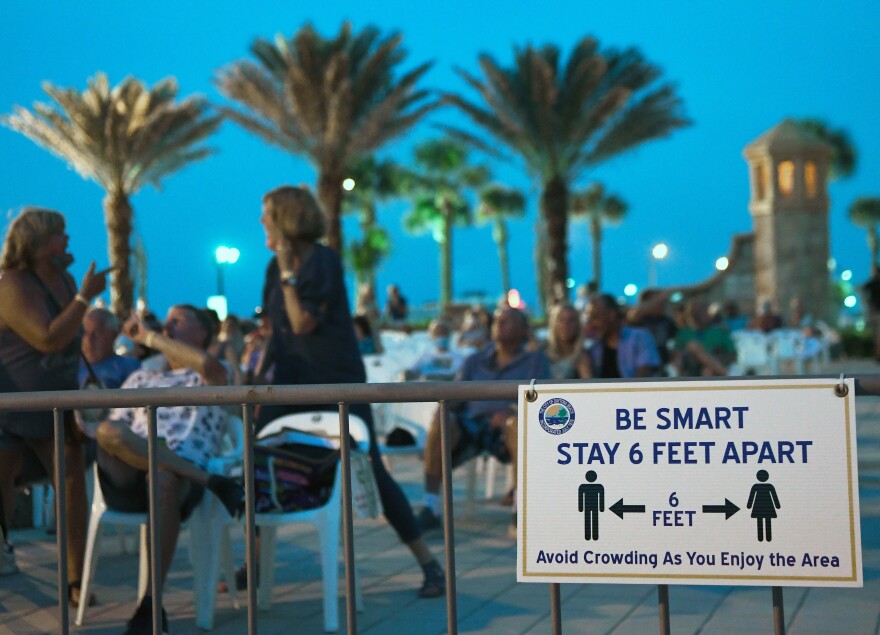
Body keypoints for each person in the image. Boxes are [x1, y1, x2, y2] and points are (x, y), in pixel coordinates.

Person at [256, 185, 446, 598]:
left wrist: (289, 275)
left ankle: (429, 565)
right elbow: (279, 330)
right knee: (258, 460)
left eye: (267, 214)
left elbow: (303, 323)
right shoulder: (274, 269)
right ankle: (254, 565)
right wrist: (255, 379)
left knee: (369, 468)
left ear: (286, 217)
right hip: (288, 383)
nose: (261, 222)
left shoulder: (322, 262)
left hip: (336, 380)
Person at [95, 305, 244, 635]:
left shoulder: (213, 375)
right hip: (129, 472)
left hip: (175, 480)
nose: (165, 326)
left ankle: (150, 603)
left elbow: (206, 362)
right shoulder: (142, 375)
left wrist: (148, 336)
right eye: (166, 320)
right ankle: (212, 482)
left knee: (162, 478)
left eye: (177, 321)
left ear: (201, 333)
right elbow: (110, 429)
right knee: (108, 432)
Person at [0, 207, 110, 603]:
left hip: (56, 403)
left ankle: (75, 580)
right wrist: (85, 296)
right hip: (13, 403)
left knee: (70, 483)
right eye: (60, 234)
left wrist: (79, 294)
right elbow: (46, 338)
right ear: (39, 242)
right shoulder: (12, 284)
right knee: (3, 487)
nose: (68, 240)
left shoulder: (62, 279)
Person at [417, 306, 550, 536]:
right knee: (442, 418)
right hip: (472, 423)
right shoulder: (474, 361)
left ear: (523, 330)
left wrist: (513, 410)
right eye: (497, 319)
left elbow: (543, 400)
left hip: (508, 426)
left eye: (507, 320)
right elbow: (456, 397)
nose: (499, 323)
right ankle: (431, 506)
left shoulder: (535, 361)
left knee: (518, 425)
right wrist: (445, 412)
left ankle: (520, 510)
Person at [584, 294, 661, 378]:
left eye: (595, 317)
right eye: (589, 318)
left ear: (611, 315)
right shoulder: (594, 346)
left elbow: (645, 373)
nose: (591, 324)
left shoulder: (639, 337)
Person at [79, 307, 141, 390]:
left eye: (97, 334)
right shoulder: (70, 367)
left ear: (113, 335)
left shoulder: (129, 367)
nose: (89, 340)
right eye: (85, 333)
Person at [672, 300, 736, 377]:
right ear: (690, 316)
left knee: (708, 371)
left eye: (703, 311)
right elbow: (676, 355)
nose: (700, 315)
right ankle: (728, 375)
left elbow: (733, 354)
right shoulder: (684, 333)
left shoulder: (718, 332)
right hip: (691, 366)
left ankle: (719, 370)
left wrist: (716, 358)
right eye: (697, 312)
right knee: (693, 346)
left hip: (713, 367)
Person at [627, 289, 678, 372]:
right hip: (642, 366)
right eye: (656, 302)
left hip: (663, 366)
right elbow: (633, 315)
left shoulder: (666, 321)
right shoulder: (641, 320)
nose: (661, 304)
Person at [543, 303, 591, 380]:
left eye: (571, 320)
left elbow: (589, 386)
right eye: (561, 320)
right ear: (554, 324)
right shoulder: (541, 351)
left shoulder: (581, 356)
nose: (566, 325)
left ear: (578, 325)